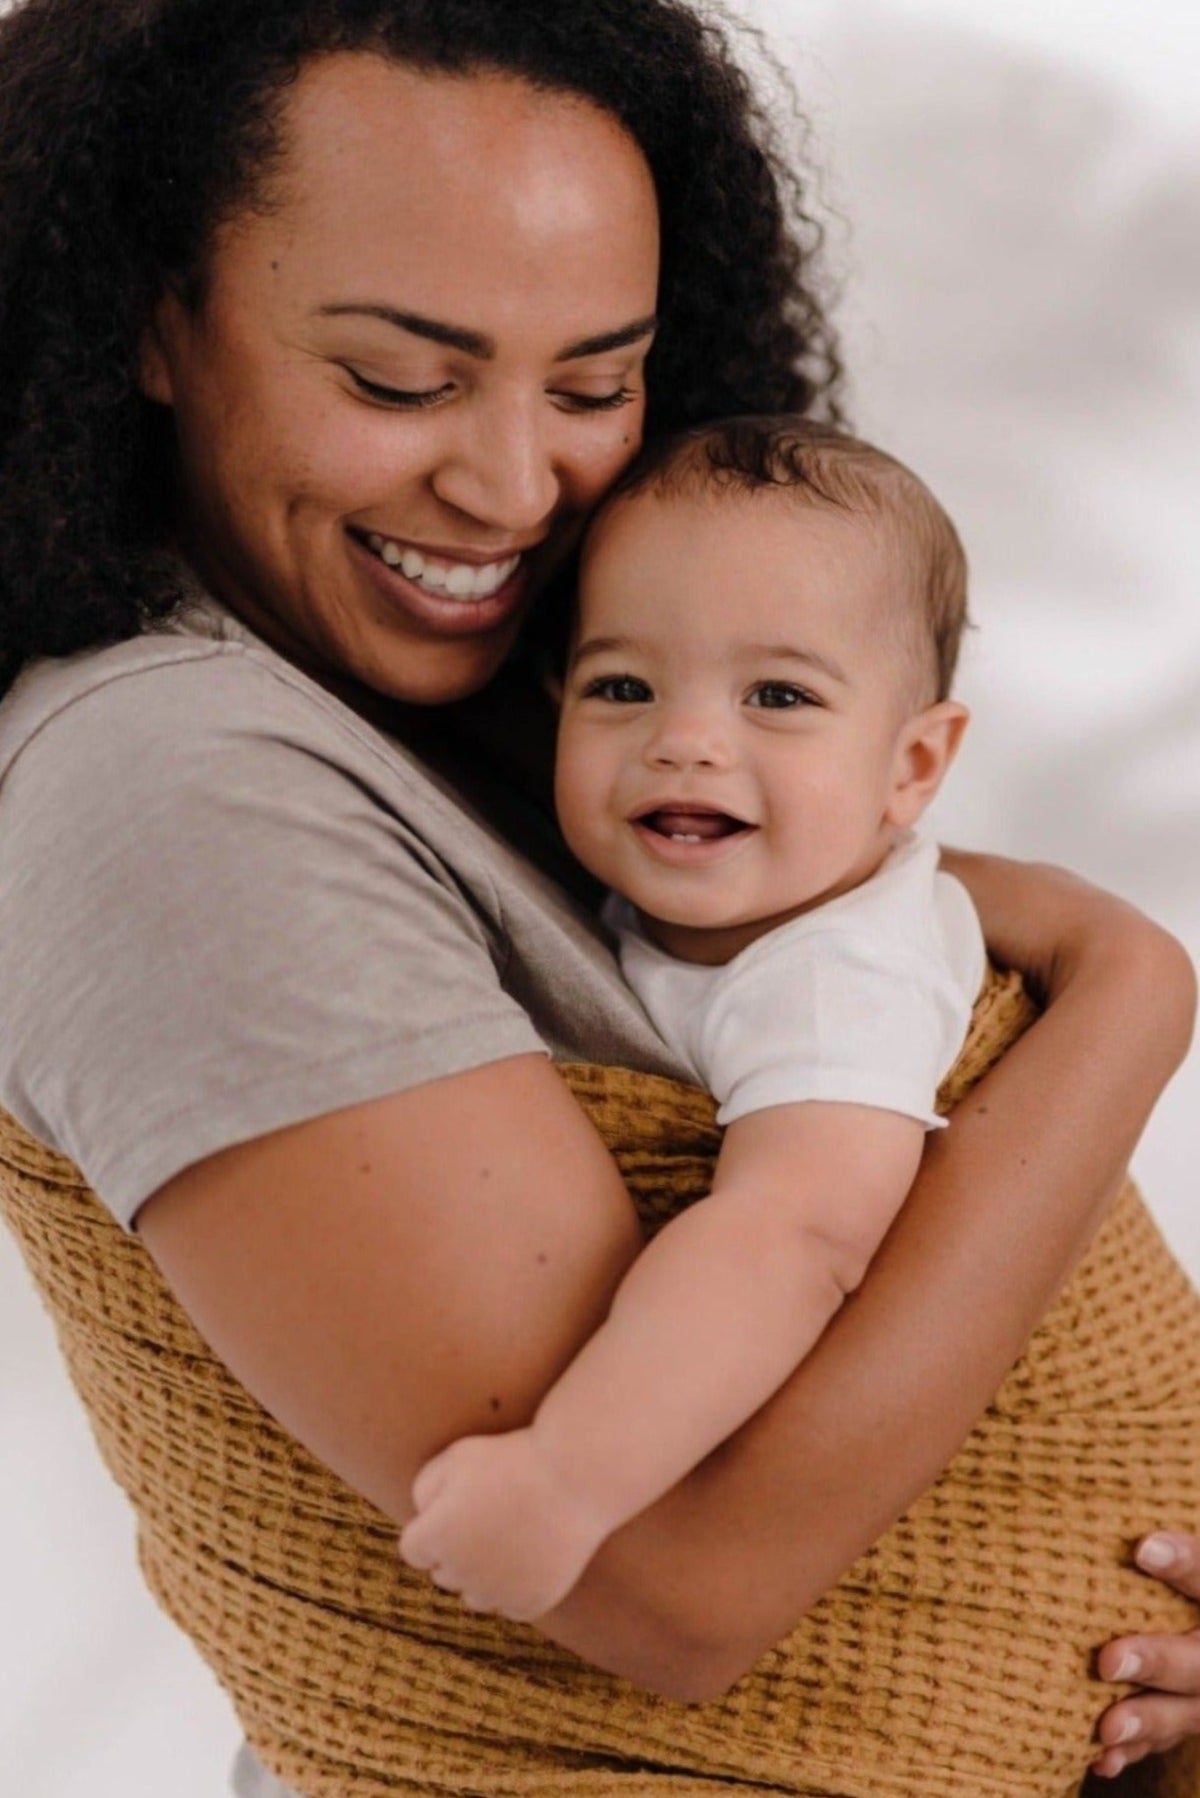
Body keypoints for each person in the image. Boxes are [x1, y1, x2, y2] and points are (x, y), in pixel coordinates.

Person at [0, 1, 1196, 1793]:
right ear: (154, 318)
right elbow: (679, 1580)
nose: (510, 488)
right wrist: (1130, 991)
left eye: (591, 384)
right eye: (400, 380)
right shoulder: (170, 772)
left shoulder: (471, 705)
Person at [399, 418, 989, 1622]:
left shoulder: (838, 976)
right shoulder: (663, 900)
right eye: (624, 685)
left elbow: (795, 1239)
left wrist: (566, 1480)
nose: (685, 739)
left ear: (912, 768)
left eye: (778, 694)